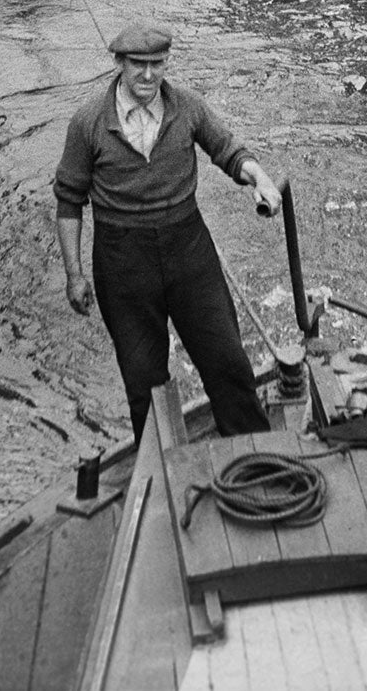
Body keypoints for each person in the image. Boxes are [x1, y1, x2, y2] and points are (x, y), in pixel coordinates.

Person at [54, 23, 280, 439]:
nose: (147, 76)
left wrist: (260, 178)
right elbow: (69, 201)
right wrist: (74, 274)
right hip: (122, 263)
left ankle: (256, 454)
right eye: (137, 65)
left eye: (156, 64)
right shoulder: (87, 122)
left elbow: (229, 151)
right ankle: (162, 474)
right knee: (145, 384)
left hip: (188, 250)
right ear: (119, 64)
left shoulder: (188, 107)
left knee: (227, 361)